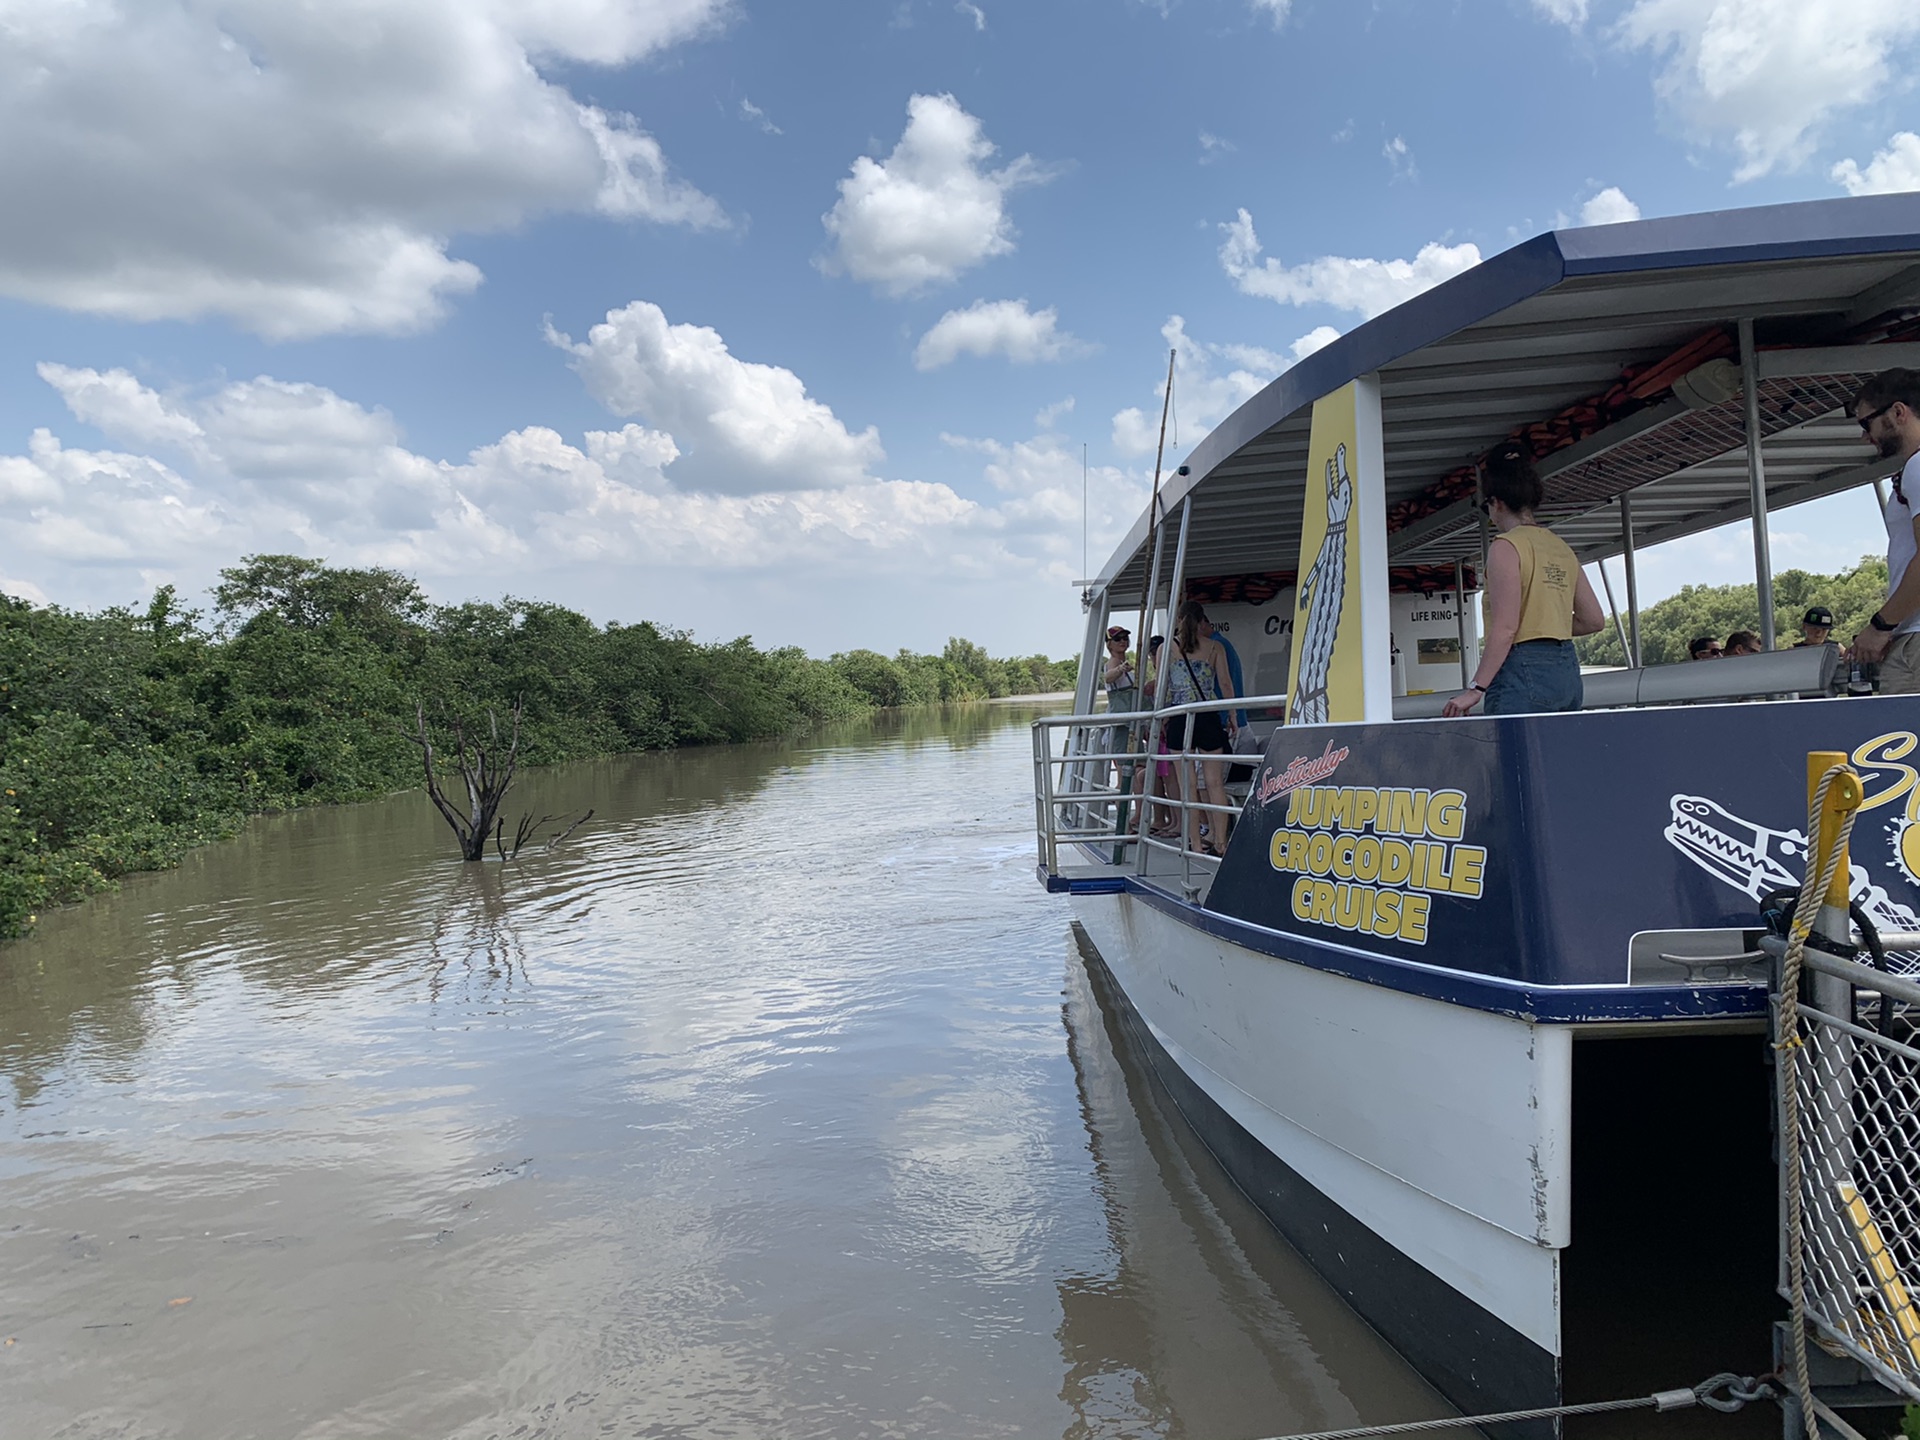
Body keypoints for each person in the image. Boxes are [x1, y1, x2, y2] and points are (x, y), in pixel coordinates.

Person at [1443, 444, 1605, 716]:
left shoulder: (1505, 547)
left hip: (1522, 668)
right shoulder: (1560, 547)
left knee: (1511, 756)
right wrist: (1545, 622)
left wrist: (1476, 689)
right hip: (1566, 671)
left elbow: (1506, 628)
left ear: (1496, 502)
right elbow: (1594, 620)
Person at [1851, 369, 1920, 692]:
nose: (1866, 436)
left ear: (1898, 412)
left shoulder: (1918, 467)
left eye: (1867, 423)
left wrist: (1880, 627)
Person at [1161, 601, 1238, 856]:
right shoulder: (1215, 647)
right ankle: (1221, 842)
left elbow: (1163, 685)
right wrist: (1233, 716)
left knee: (1188, 786)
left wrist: (1160, 717)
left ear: (1179, 619)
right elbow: (1225, 685)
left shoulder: (1166, 648)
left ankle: (1194, 843)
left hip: (1180, 717)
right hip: (1207, 716)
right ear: (1201, 620)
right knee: (1215, 783)